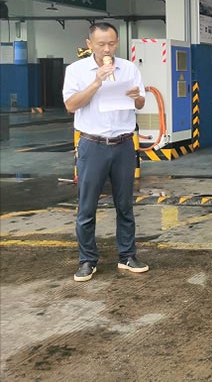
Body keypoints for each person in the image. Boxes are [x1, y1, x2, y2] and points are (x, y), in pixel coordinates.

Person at [62, 22, 148, 282]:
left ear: (117, 42)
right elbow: (71, 105)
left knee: (125, 205)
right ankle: (87, 260)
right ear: (90, 44)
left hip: (123, 144)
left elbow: (141, 103)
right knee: (87, 206)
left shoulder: (129, 68)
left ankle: (127, 256)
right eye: (101, 44)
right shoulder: (76, 70)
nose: (107, 49)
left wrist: (136, 96)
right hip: (92, 145)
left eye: (111, 43)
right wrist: (96, 82)